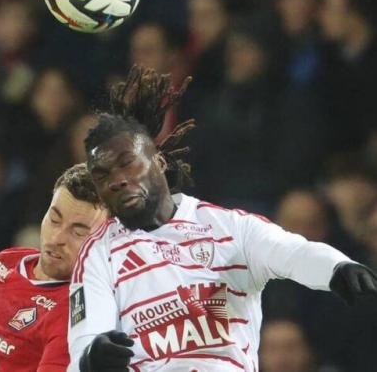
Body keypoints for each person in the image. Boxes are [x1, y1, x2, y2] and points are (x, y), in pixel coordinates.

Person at [67, 67, 377, 372]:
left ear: (159, 162)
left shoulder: (229, 228)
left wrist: (335, 267)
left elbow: (291, 251)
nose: (117, 180)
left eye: (127, 164)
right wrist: (92, 357)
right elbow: (85, 338)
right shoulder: (98, 254)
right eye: (102, 175)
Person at [0, 163, 108, 372]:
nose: (56, 239)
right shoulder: (6, 262)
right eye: (54, 219)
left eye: (78, 232)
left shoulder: (76, 313)